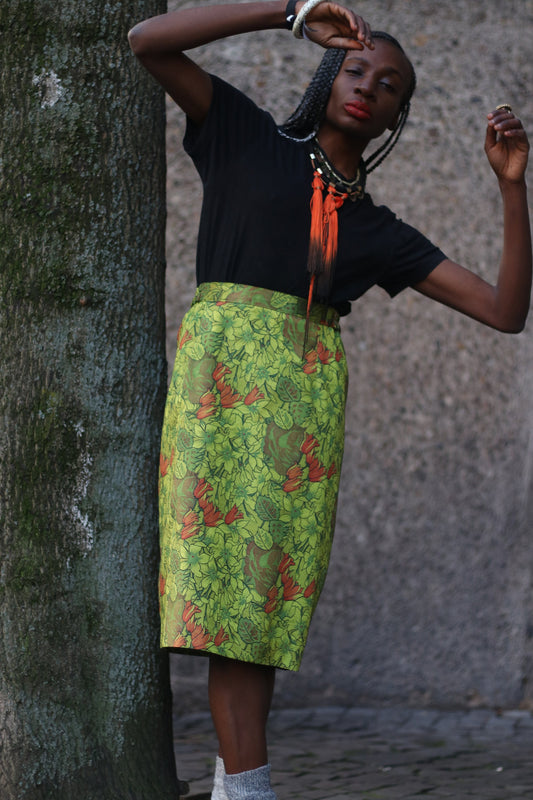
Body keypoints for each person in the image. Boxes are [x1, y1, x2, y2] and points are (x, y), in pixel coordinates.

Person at [128, 2, 531, 798]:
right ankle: (243, 787)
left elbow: (503, 311)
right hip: (221, 389)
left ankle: (239, 787)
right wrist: (290, 10)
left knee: (262, 608)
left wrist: (510, 189)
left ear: (392, 120)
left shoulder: (374, 227)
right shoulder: (246, 135)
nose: (368, 88)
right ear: (325, 74)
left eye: (388, 86)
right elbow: (146, 41)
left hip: (302, 407)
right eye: (356, 69)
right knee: (219, 601)